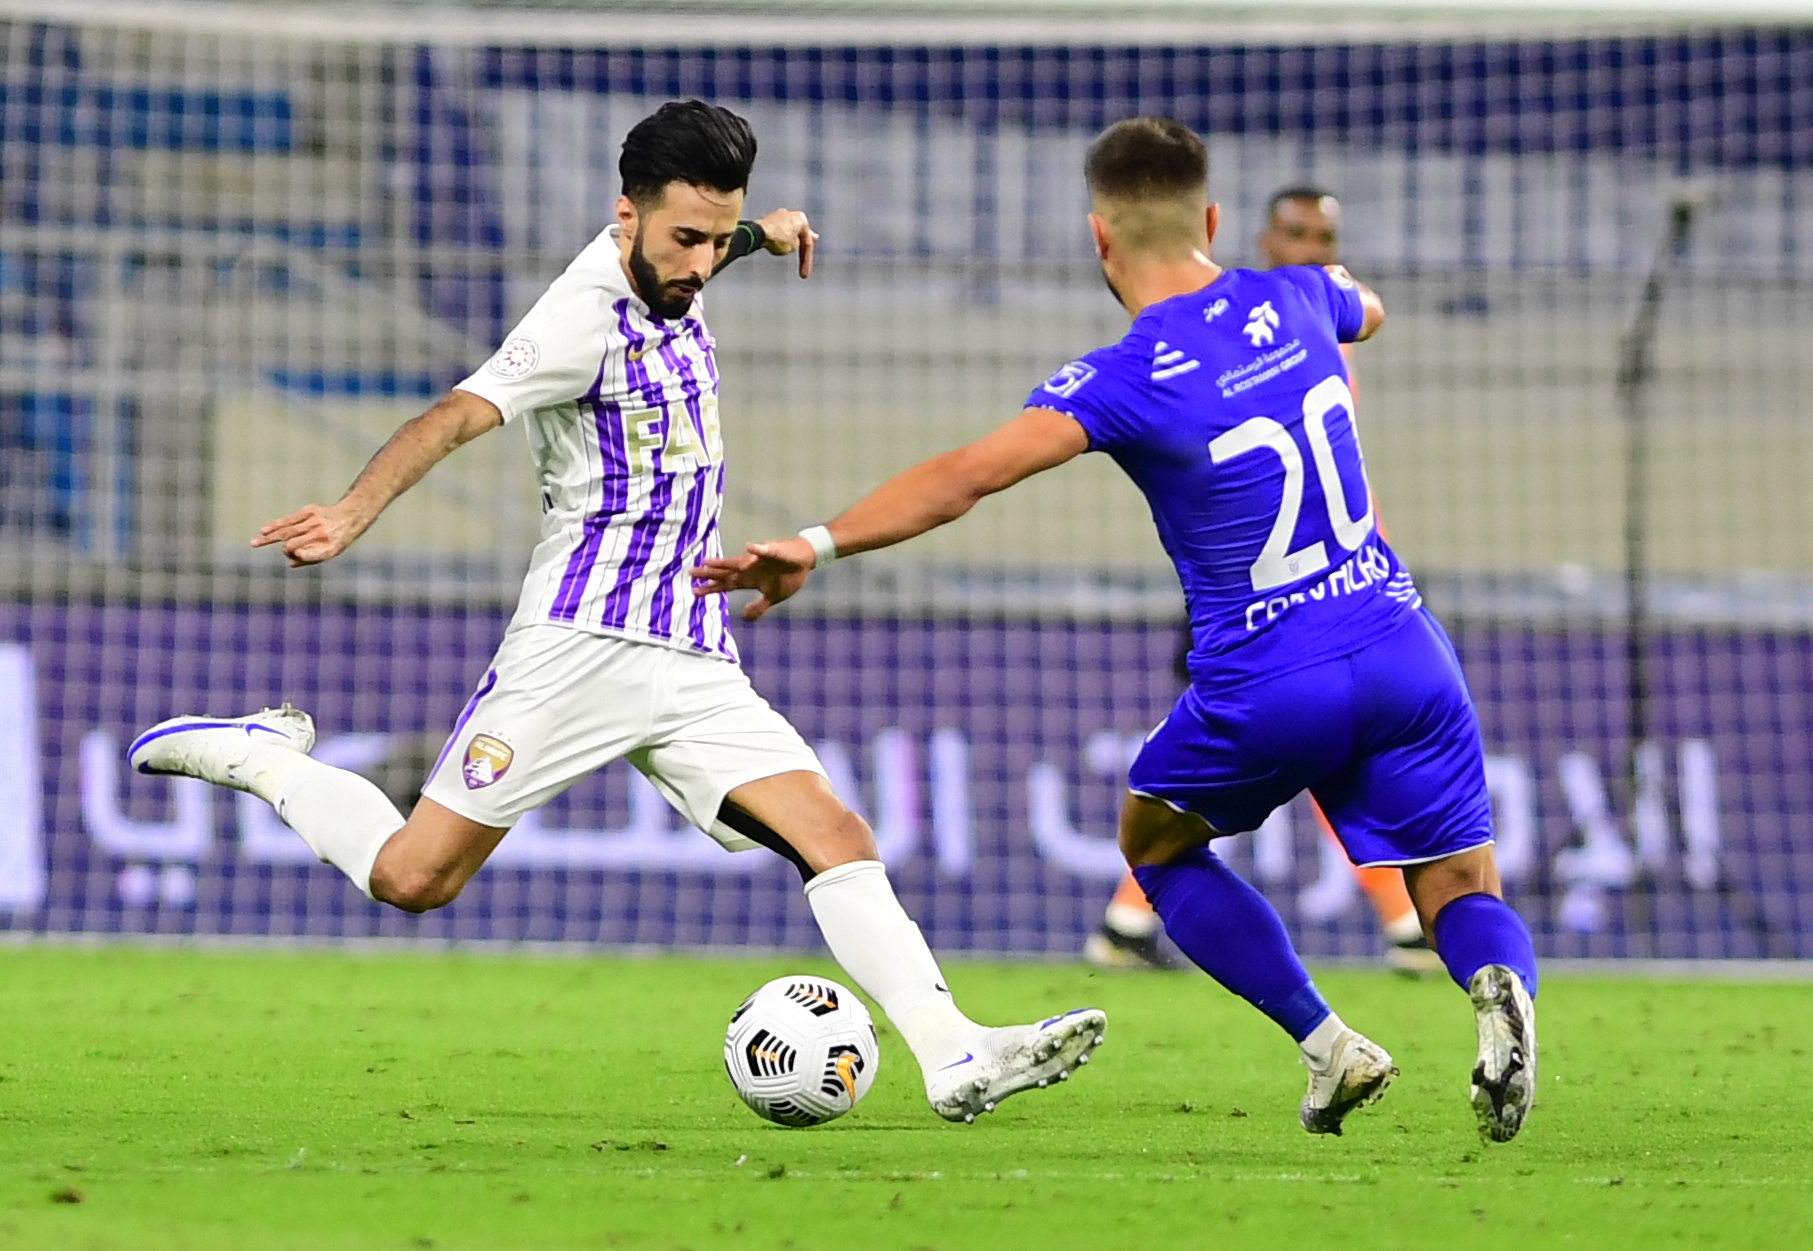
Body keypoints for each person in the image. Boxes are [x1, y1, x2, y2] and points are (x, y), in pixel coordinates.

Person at [129, 100, 1106, 1125]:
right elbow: (454, 415)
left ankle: (953, 1051)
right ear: (624, 215)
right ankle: (262, 757)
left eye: (715, 237)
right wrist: (350, 509)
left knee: (834, 830)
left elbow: (708, 244)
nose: (700, 261)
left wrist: (764, 235)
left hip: (690, 649)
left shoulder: (684, 257)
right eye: (685, 238)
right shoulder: (576, 321)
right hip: (579, 644)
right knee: (414, 878)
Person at [695, 117, 1539, 1142]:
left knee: (1155, 848)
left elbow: (967, 477)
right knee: (1458, 885)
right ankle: (1498, 988)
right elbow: (1367, 306)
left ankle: (1329, 1046)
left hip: (1272, 674)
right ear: (1212, 221)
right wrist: (1314, 302)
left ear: (1099, 237)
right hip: (1403, 645)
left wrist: (816, 543)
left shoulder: (1124, 376)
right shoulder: (1300, 294)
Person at [1085, 185, 1441, 977]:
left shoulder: (1320, 323)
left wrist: (1371, 554)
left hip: (1324, 584)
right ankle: (1402, 924)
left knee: (1299, 752)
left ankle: (1126, 921)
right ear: (1261, 238)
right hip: (1251, 588)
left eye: (1323, 237)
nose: (1310, 248)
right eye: (1296, 233)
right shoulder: (1232, 324)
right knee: (1300, 751)